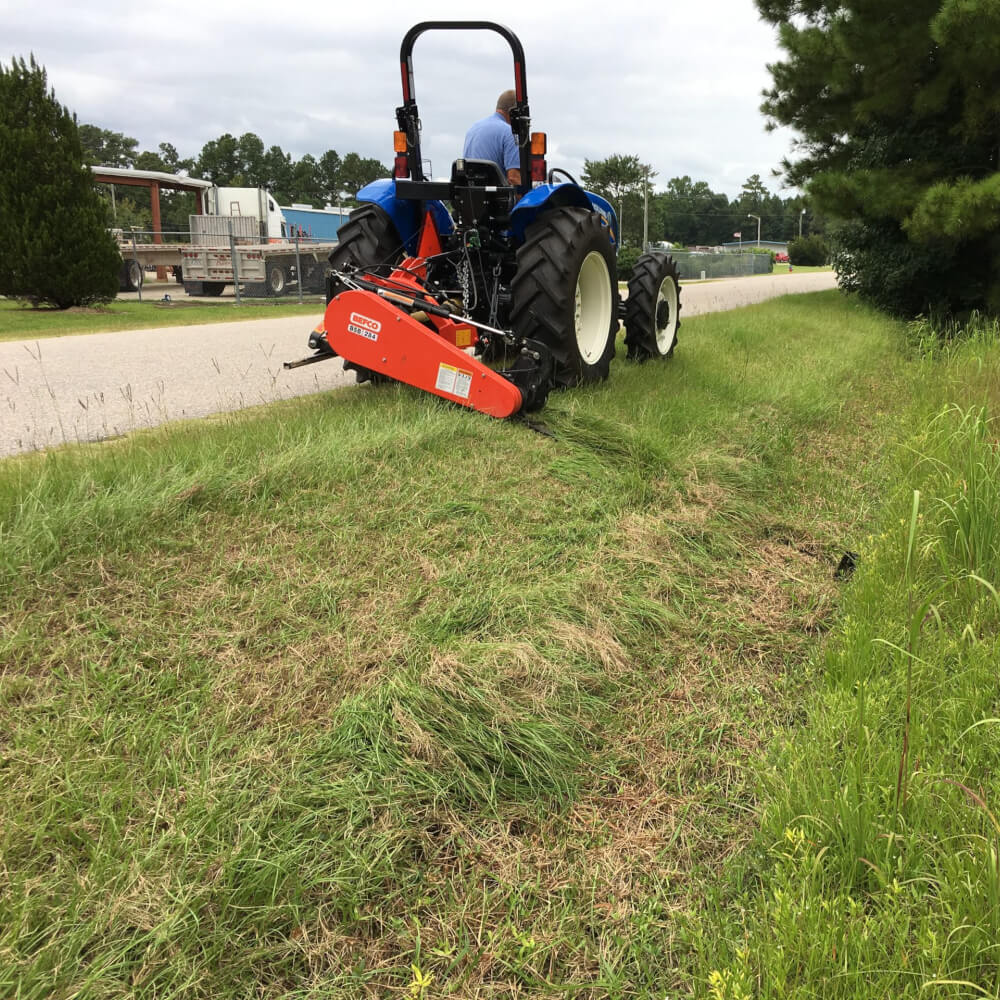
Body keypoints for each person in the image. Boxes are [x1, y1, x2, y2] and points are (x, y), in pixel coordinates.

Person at [463, 90, 521, 186]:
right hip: (496, 198)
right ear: (514, 113)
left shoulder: (472, 129)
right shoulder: (509, 132)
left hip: (469, 197)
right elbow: (514, 178)